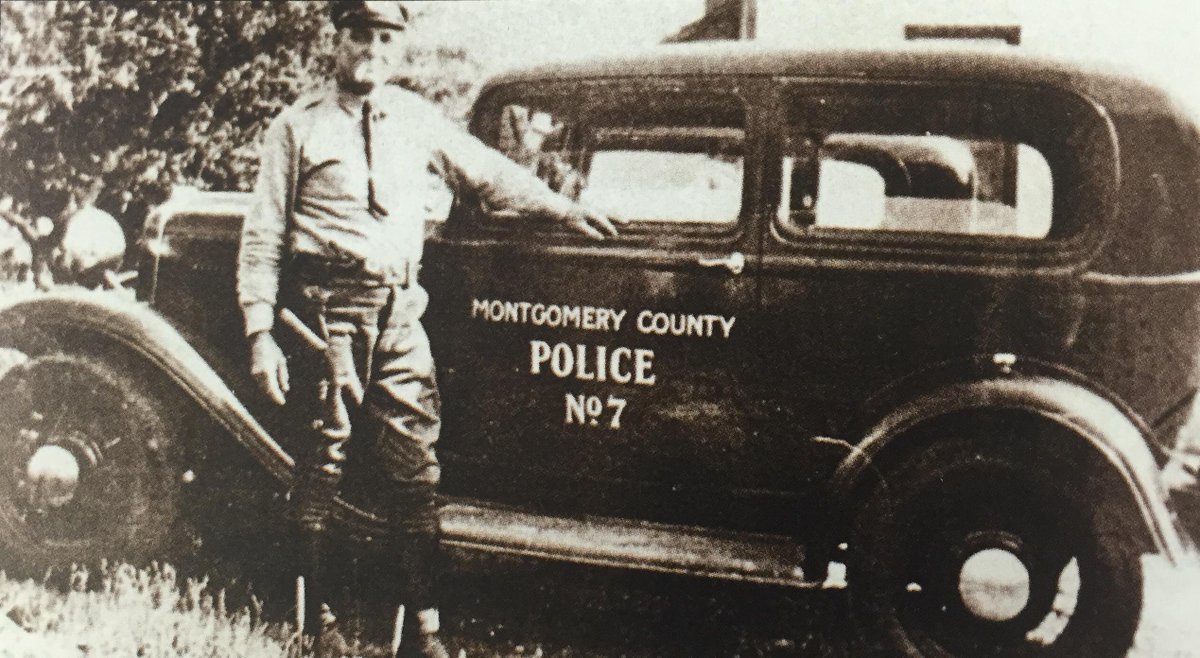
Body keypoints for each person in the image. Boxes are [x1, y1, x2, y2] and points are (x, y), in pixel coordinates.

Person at [235, 2, 618, 657]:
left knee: (416, 475)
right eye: (361, 34)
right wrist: (260, 331)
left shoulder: (415, 119)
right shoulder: (296, 127)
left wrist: (561, 208)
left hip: (400, 314)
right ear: (338, 38)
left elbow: (488, 174)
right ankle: (317, 624)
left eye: (387, 37)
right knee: (322, 466)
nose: (373, 49)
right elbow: (264, 233)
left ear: (400, 46)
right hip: (327, 311)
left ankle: (424, 634)